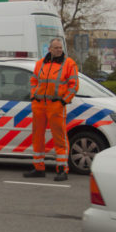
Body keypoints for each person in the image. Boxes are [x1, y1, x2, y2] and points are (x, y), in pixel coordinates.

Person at [25, 38, 79, 182]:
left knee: (60, 138)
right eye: (56, 48)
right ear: (49, 49)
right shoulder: (40, 63)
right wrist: (33, 96)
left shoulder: (69, 64)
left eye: (60, 48)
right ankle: (38, 168)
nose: (58, 50)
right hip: (39, 105)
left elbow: (73, 86)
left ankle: (62, 169)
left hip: (56, 105)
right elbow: (33, 81)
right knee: (37, 136)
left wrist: (63, 100)